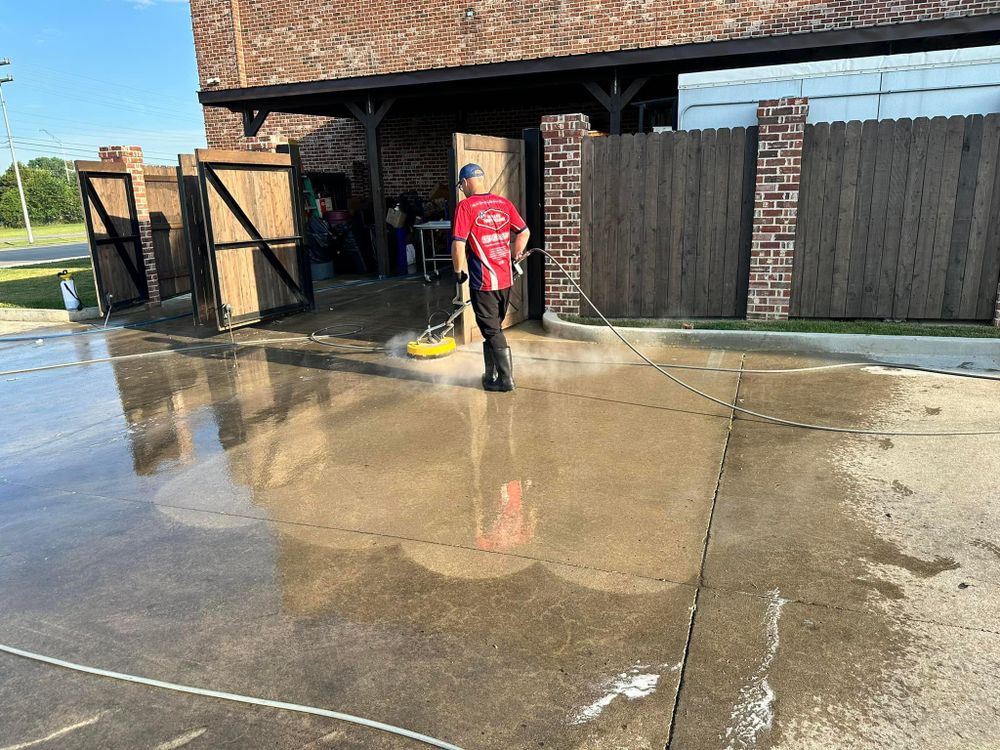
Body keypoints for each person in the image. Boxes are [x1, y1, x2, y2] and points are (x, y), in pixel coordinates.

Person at [451, 163, 531, 392]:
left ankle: (506, 380)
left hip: (484, 282)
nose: (462, 189)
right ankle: (490, 374)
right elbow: (524, 231)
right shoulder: (503, 203)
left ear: (465, 182)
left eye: (461, 185)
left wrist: (458, 272)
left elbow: (458, 244)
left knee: (492, 331)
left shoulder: (466, 206)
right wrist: (515, 255)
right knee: (493, 328)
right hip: (505, 280)